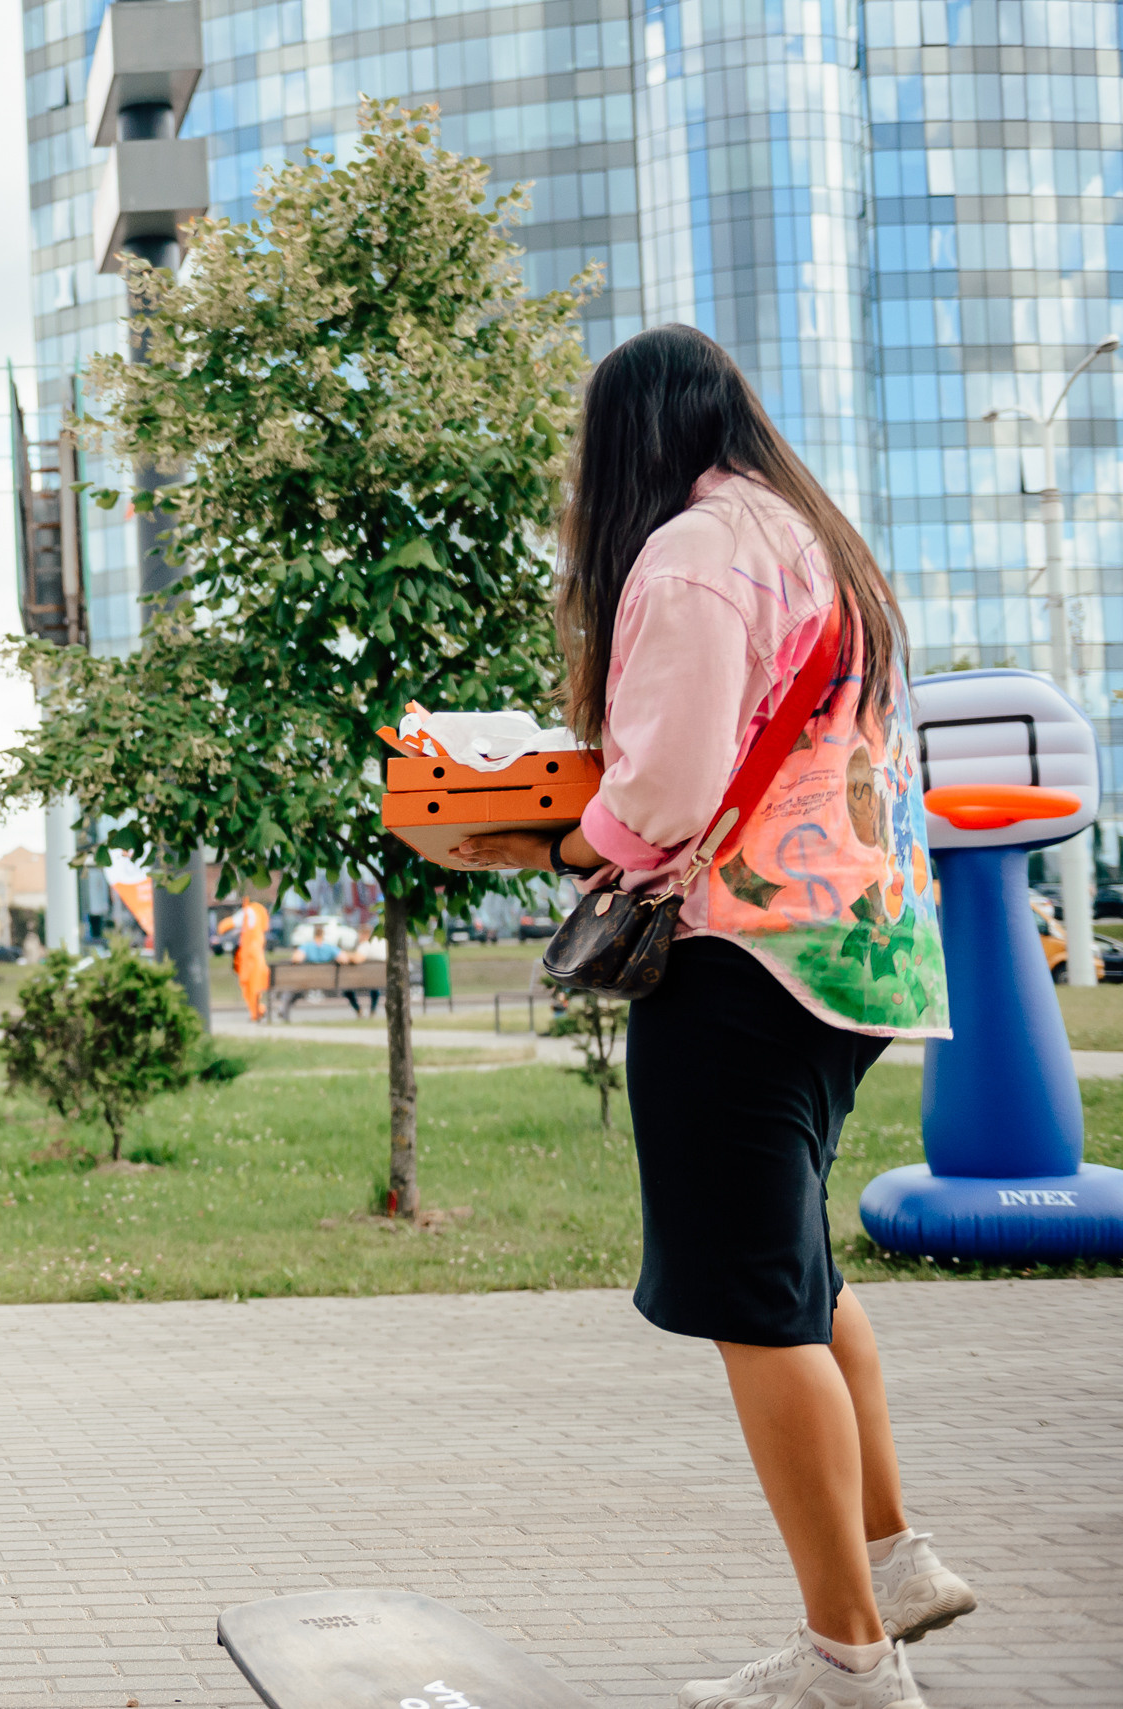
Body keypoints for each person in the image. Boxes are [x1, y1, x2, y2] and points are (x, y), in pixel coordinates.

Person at [443, 326, 965, 1709]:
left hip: (742, 954)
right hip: (853, 958)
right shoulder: (814, 542)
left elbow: (666, 791)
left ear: (629, 443)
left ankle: (849, 1662)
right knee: (799, 1275)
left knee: (755, 1306)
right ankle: (893, 1561)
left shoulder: (690, 555)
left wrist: (531, 844)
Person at [224, 896, 273, 1023]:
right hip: (257, 956)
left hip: (249, 958)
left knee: (249, 988)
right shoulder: (259, 912)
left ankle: (256, 1012)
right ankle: (258, 1011)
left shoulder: (248, 912)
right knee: (255, 987)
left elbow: (227, 924)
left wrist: (222, 927)